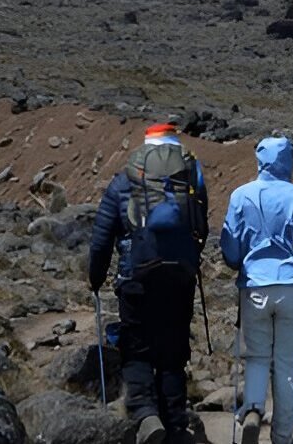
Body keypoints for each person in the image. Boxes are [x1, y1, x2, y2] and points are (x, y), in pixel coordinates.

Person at [89, 123, 209, 444]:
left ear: (145, 145)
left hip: (136, 277)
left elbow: (102, 238)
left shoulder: (124, 179)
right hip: (179, 278)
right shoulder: (192, 175)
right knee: (172, 351)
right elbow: (202, 226)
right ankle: (176, 420)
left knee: (136, 347)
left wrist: (96, 277)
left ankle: (145, 414)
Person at [220, 138, 293, 444]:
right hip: (292, 288)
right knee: (286, 364)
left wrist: (240, 262)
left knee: (256, 357)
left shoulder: (241, 195)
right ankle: (282, 437)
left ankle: (253, 408)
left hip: (255, 286)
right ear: (288, 161)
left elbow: (230, 249)